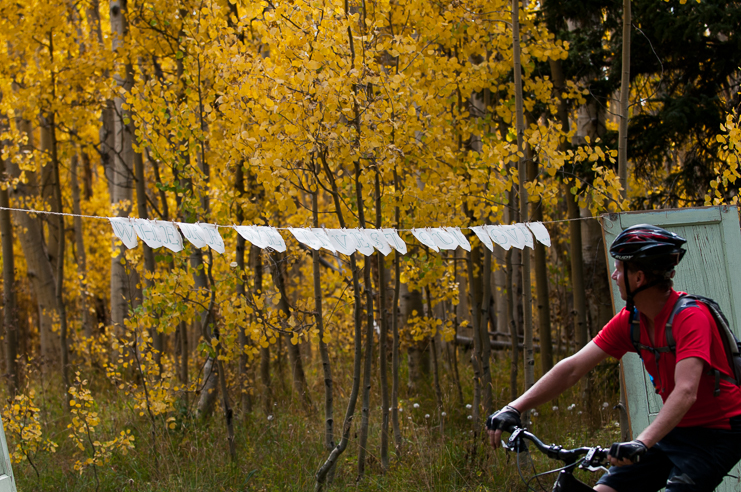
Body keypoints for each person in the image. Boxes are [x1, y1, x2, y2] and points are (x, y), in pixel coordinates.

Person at [487, 224, 741, 492]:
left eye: (620, 269)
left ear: (639, 278)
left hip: (719, 431)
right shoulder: (631, 322)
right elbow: (573, 368)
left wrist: (641, 443)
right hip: (676, 429)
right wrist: (515, 407)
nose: (614, 275)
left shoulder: (690, 317)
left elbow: (686, 391)